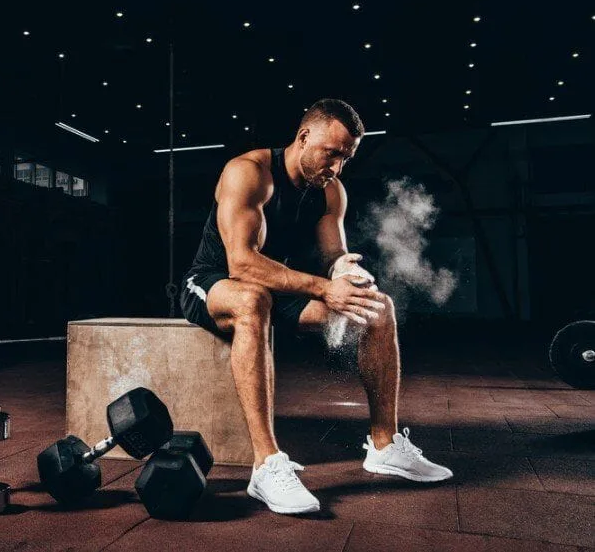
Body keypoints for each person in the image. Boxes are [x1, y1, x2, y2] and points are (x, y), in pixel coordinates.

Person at [179, 98, 452, 515]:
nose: (337, 167)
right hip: (215, 282)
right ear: (304, 137)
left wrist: (345, 272)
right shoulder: (249, 173)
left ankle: (384, 445)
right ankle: (266, 465)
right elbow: (242, 261)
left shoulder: (330, 191)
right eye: (332, 153)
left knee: (377, 309)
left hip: (280, 287)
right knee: (252, 299)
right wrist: (325, 289)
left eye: (346, 157)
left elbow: (331, 256)